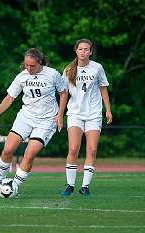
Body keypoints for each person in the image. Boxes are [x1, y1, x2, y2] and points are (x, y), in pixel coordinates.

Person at [0, 48, 67, 196]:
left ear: (40, 62)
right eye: (26, 65)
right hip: (26, 117)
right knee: (8, 149)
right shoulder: (22, 77)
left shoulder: (53, 74)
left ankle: (14, 186)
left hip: (46, 120)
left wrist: (60, 115)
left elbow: (63, 92)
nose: (28, 68)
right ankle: (0, 179)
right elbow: (10, 97)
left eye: (32, 66)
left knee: (29, 154)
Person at [60, 39, 112, 196]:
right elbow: (64, 94)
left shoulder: (97, 68)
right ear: (76, 51)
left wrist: (108, 110)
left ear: (91, 52)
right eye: (80, 49)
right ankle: (70, 185)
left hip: (94, 114)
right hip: (75, 114)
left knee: (92, 149)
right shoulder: (69, 70)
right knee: (73, 148)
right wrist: (59, 115)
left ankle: (85, 187)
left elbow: (103, 89)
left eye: (86, 49)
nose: (83, 51)